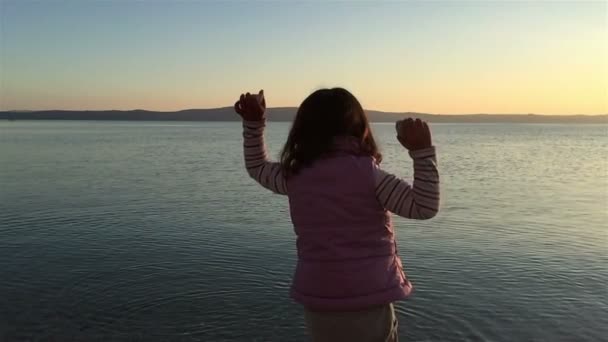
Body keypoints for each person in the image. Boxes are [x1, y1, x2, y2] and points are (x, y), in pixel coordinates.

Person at [234, 88, 440, 342]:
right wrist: (422, 152)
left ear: (302, 129)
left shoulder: (296, 175)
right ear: (359, 127)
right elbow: (424, 206)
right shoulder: (370, 176)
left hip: (319, 297)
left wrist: (253, 125)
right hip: (369, 295)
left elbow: (257, 167)